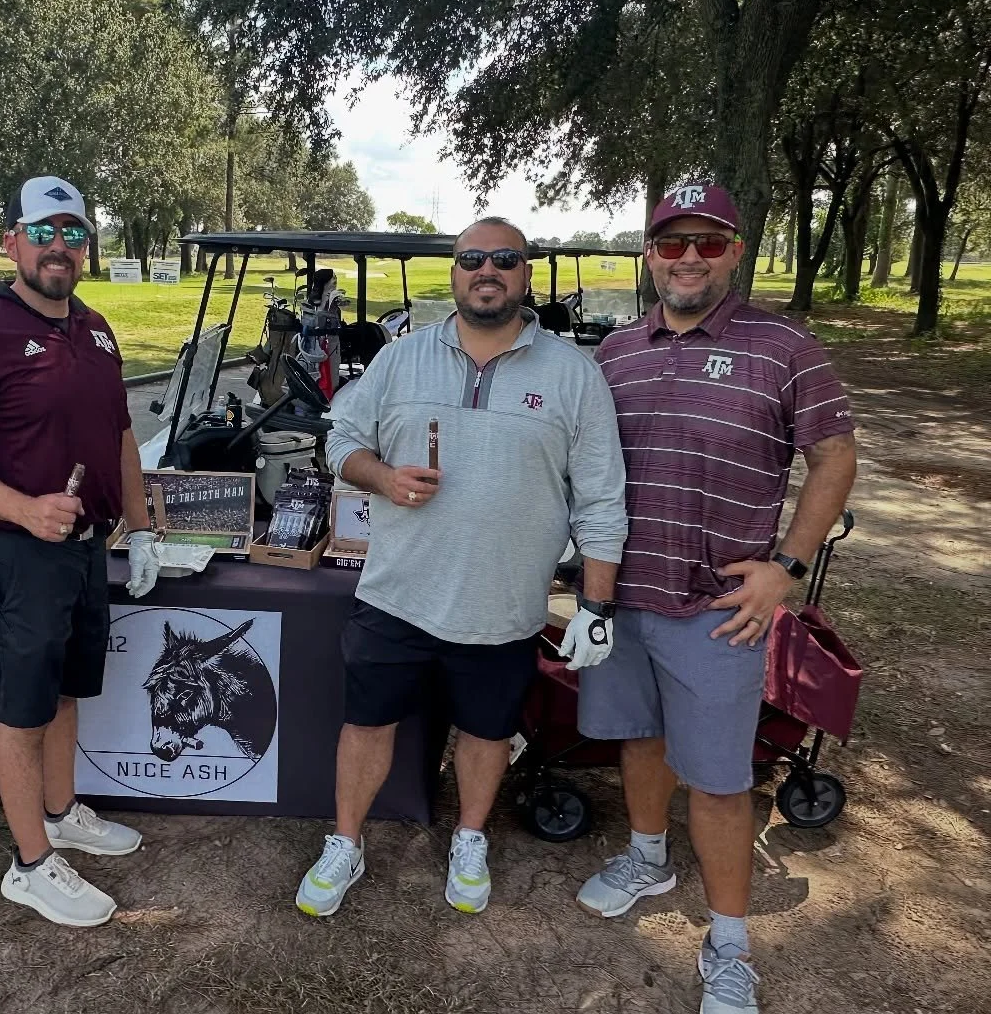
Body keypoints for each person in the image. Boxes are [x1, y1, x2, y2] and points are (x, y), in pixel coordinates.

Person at [576, 184, 857, 1014]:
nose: (689, 258)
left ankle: (729, 945)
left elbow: (835, 456)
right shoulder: (615, 352)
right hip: (623, 595)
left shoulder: (784, 347)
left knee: (721, 780)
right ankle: (647, 857)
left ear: (735, 251)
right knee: (640, 736)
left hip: (717, 609)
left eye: (708, 242)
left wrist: (786, 567)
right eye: (673, 243)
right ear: (649, 256)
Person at [295, 217, 628, 917]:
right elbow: (341, 441)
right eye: (472, 258)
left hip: (503, 601)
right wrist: (382, 477)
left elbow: (601, 498)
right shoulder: (401, 358)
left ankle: (470, 837)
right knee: (367, 723)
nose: (487, 271)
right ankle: (345, 841)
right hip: (397, 594)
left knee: (486, 731)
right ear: (453, 273)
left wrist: (596, 606)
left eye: (504, 259)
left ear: (525, 274)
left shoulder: (574, 375)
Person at [0, 176, 160, 927]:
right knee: (23, 710)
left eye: (74, 233)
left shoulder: (95, 327)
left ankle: (60, 814)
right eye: (44, 232)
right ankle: (29, 865)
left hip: (85, 549)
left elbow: (121, 433)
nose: (60, 247)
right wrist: (25, 509)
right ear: (12, 243)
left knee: (63, 692)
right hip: (21, 551)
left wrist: (140, 526)